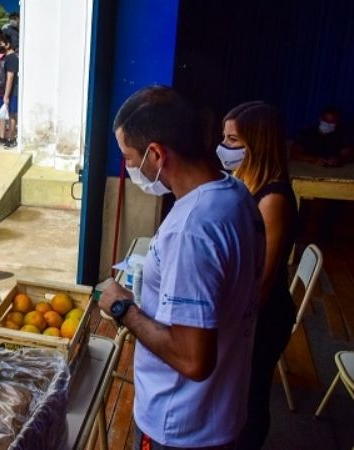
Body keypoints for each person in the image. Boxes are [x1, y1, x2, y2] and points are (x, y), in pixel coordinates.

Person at [97, 86, 264, 449]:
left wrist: (122, 307)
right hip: (222, 411)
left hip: (183, 427)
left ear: (156, 153)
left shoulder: (193, 230)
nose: (127, 167)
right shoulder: (236, 196)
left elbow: (193, 360)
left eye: (129, 157)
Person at [219, 102, 298, 449]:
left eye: (233, 140)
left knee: (251, 398)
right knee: (236, 395)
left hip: (264, 317)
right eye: (224, 137)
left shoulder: (274, 197)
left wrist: (238, 328)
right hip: (245, 312)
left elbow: (262, 279)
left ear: (258, 142)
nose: (224, 146)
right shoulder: (244, 181)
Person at [0, 32, 19, 148]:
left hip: (11, 93)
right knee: (1, 114)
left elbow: (10, 77)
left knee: (11, 114)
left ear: (8, 44)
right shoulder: (3, 57)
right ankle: (2, 137)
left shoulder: (12, 58)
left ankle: (11, 138)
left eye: (1, 43)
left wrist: (6, 95)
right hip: (1, 91)